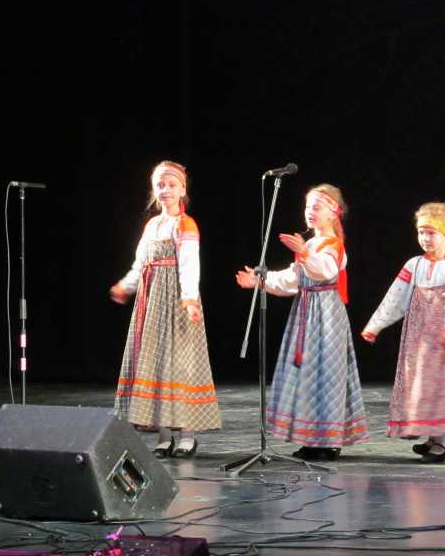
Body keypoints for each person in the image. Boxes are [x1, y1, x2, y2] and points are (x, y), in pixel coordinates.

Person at [235, 184, 369, 460]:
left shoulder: (333, 245)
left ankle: (329, 441)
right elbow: (292, 279)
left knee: (327, 374)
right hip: (306, 312)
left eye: (317, 207)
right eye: (308, 207)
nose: (310, 212)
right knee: (308, 374)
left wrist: (304, 254)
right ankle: (312, 438)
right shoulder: (310, 245)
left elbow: (324, 271)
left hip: (327, 315)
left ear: (334, 212)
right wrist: (260, 280)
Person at [361, 202, 445, 463]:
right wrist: (375, 325)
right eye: (421, 232)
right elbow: (396, 297)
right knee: (421, 384)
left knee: (442, 387)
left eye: (431, 233)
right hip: (418, 338)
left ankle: (441, 444)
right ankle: (431, 438)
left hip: (443, 338)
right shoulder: (414, 264)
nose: (425, 238)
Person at [110, 161, 220, 458]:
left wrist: (189, 300)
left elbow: (190, 265)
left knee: (179, 365)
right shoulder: (152, 225)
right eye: (160, 185)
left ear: (182, 189)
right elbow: (140, 264)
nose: (165, 190)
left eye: (172, 185)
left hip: (176, 301)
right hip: (151, 302)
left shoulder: (185, 224)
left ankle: (187, 436)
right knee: (156, 364)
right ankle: (164, 435)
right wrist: (126, 286)